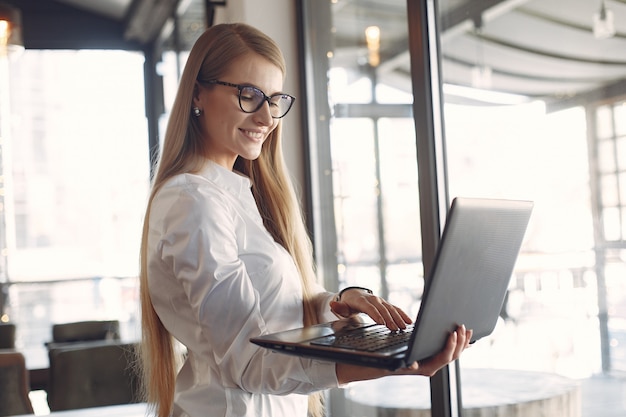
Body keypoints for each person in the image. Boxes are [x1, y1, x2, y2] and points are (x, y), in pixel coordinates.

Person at [138, 22, 472, 417]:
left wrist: (338, 302)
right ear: (198, 92)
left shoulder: (234, 194)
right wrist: (388, 365)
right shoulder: (193, 201)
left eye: (274, 99)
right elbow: (250, 361)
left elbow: (273, 314)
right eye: (249, 95)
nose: (266, 116)